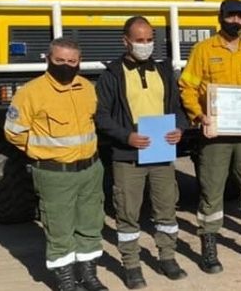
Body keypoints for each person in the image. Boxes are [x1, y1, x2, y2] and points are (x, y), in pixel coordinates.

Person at [179, 0, 241, 273]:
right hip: (215, 135)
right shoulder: (204, 50)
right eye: (231, 17)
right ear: (221, 18)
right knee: (212, 192)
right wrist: (200, 116)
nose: (236, 22)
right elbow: (187, 86)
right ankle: (209, 248)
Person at [4, 38, 107, 291]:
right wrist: (41, 151)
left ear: (79, 62)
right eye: (59, 60)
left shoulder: (86, 88)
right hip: (54, 173)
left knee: (90, 225)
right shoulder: (31, 92)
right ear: (48, 59)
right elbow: (14, 132)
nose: (66, 66)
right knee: (59, 230)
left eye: (72, 61)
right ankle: (66, 281)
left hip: (90, 170)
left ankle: (88, 275)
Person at [95, 16, 189, 288]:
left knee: (166, 209)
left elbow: (179, 111)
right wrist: (127, 136)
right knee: (127, 212)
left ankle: (168, 257)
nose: (145, 45)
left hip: (161, 154)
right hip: (128, 157)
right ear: (125, 41)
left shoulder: (163, 72)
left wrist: (180, 129)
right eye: (139, 40)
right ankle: (132, 265)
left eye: (149, 40)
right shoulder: (112, 75)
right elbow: (101, 116)